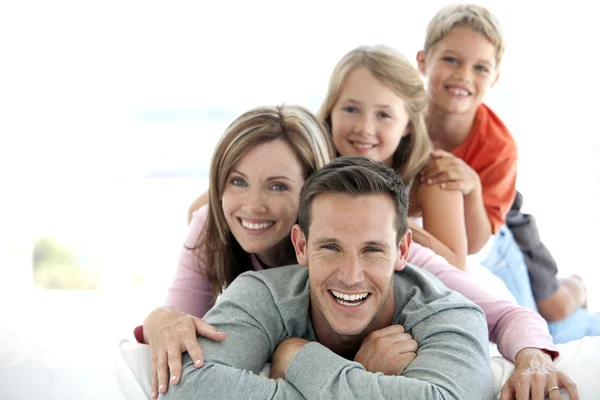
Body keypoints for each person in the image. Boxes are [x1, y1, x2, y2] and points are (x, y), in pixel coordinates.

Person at [163, 156, 495, 399]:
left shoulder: (451, 315)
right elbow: (187, 387)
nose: (351, 276)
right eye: (331, 247)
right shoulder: (261, 294)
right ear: (301, 246)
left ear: (403, 250)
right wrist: (365, 375)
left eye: (372, 250)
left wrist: (298, 359)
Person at [415, 3, 600, 342]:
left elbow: (477, 243)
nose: (463, 76)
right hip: (469, 227)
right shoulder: (401, 117)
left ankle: (580, 295)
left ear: (495, 78)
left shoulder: (498, 147)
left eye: (480, 67)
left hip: (498, 240)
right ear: (423, 61)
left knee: (546, 325)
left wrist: (471, 186)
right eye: (451, 60)